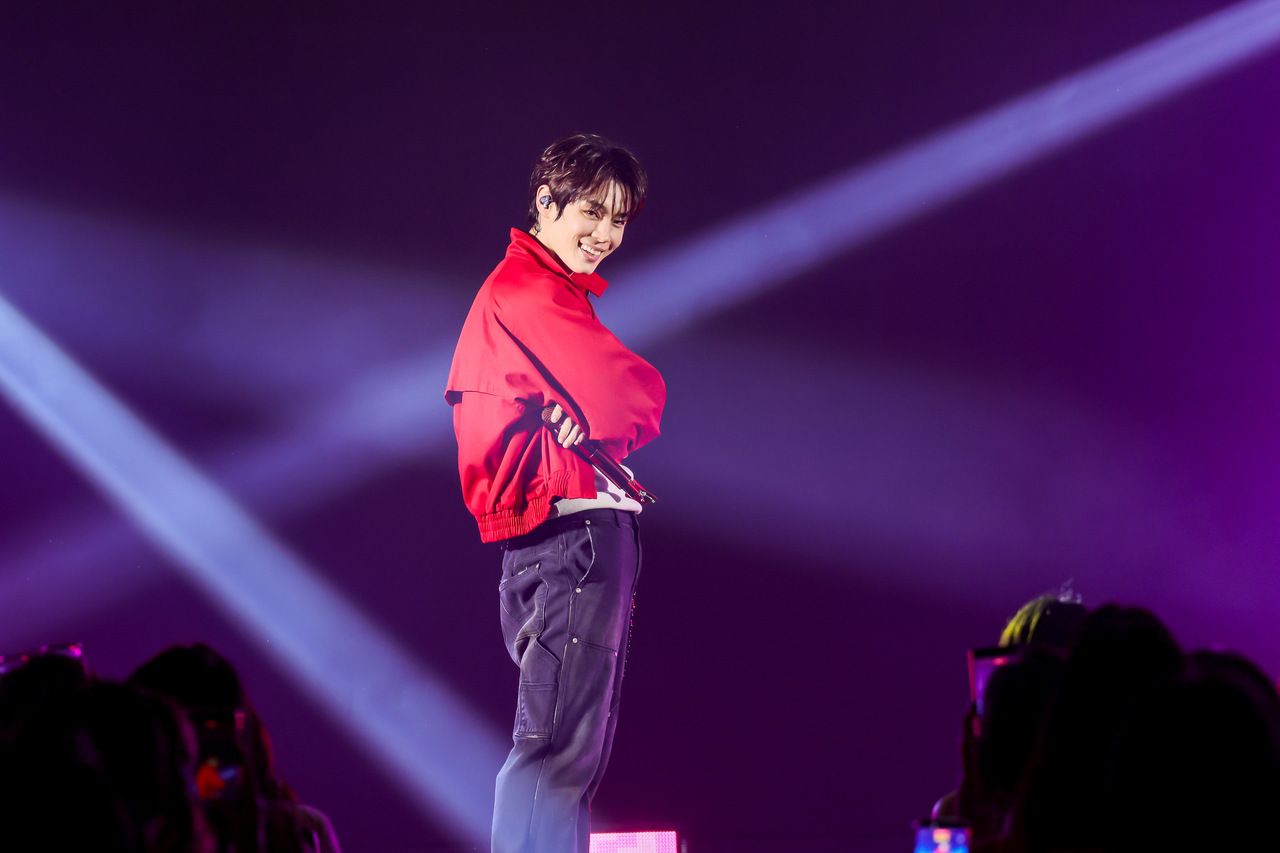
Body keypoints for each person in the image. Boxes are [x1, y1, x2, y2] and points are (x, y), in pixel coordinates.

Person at [445, 132, 666, 853]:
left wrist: (572, 413)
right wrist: (582, 410)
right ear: (546, 202)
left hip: (552, 540)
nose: (605, 234)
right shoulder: (528, 289)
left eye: (619, 219)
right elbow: (636, 394)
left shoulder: (534, 293)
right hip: (573, 540)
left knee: (563, 756)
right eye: (592, 212)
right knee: (555, 757)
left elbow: (598, 407)